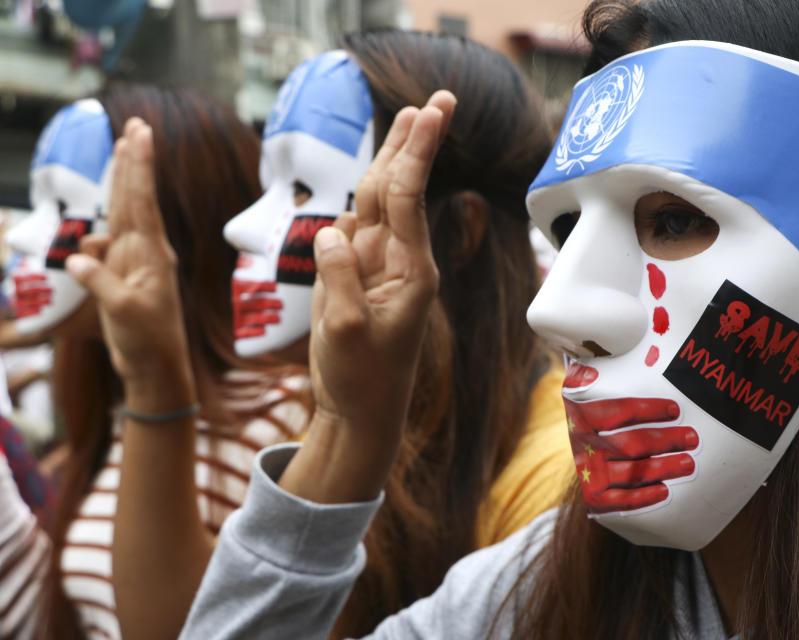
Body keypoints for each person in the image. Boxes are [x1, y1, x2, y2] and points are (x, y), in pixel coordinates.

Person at [97, 0, 799, 637]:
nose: (557, 313)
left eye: (674, 220)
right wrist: (350, 432)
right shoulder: (540, 593)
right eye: (569, 227)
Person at [97, 31, 571, 639]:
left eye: (301, 187)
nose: (241, 227)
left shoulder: (556, 484)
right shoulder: (336, 409)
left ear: (457, 234)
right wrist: (153, 379)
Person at [0, 87, 310, 640]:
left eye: (63, 207)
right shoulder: (110, 408)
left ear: (170, 222)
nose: (25, 234)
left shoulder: (282, 418)